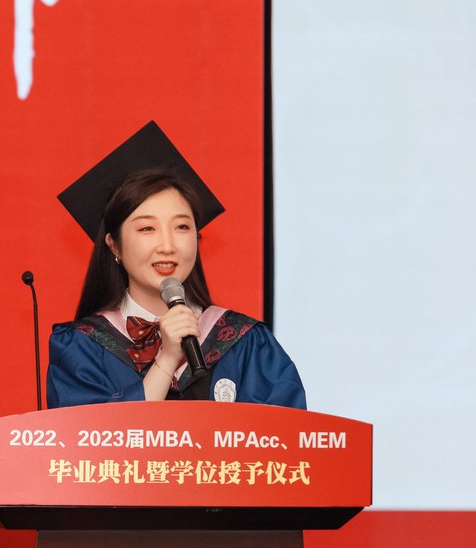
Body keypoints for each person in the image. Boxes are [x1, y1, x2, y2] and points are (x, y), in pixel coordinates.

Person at [47, 122, 305, 410]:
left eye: (181, 227)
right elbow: (87, 435)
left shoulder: (244, 340)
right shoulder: (83, 346)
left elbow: (285, 433)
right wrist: (168, 358)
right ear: (114, 245)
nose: (167, 246)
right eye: (147, 228)